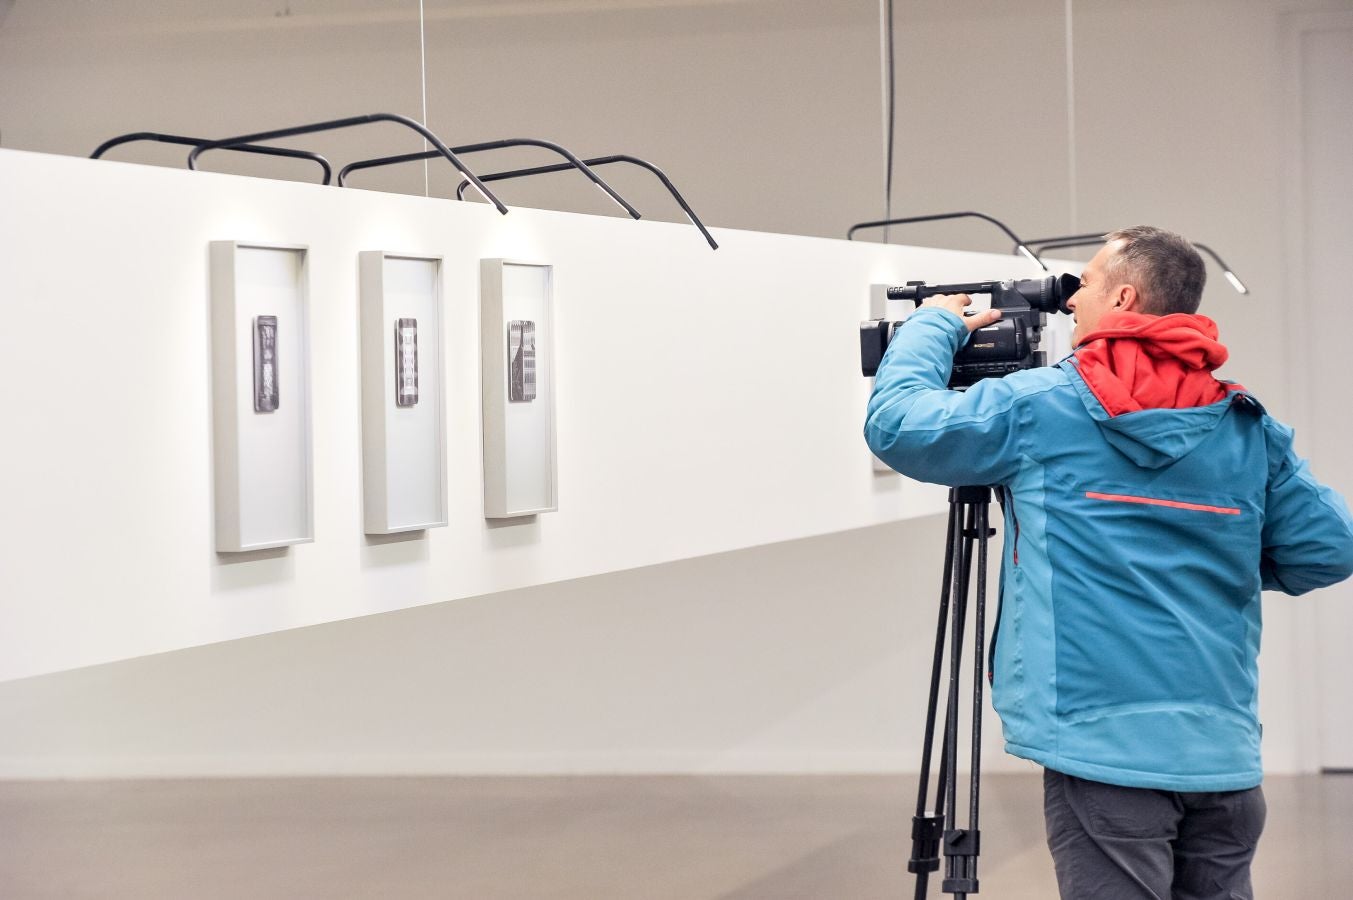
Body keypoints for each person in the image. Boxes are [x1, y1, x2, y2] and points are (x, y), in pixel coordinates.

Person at [864, 226, 1353, 900]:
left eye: (1085, 283)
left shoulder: (1044, 408)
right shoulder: (1245, 424)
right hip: (1224, 762)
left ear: (1122, 295)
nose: (1070, 302)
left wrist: (930, 329)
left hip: (1104, 759)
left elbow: (899, 428)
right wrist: (1208, 558)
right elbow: (1328, 549)